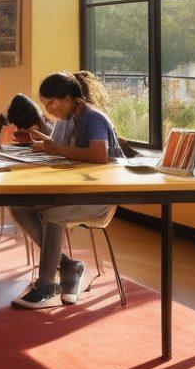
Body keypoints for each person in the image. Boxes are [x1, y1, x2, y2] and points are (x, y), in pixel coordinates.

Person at [10, 71, 125, 310]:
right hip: (76, 191)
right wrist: (40, 145)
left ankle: (46, 284)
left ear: (71, 97)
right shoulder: (68, 120)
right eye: (45, 104)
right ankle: (69, 266)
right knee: (18, 206)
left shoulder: (93, 119)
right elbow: (62, 148)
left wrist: (58, 150)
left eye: (52, 103)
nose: (49, 110)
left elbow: (98, 155)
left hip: (100, 198)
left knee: (53, 214)